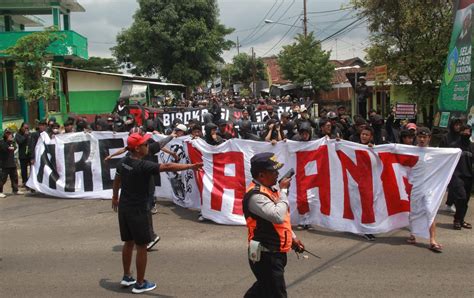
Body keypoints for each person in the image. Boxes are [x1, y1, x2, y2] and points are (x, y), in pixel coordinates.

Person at [112, 132, 202, 293]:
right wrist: (190, 166)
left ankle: (127, 276)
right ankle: (140, 283)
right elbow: (167, 166)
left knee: (128, 243)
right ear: (138, 148)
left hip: (124, 208)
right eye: (145, 145)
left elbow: (117, 179)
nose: (148, 146)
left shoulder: (123, 162)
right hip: (138, 210)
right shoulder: (143, 166)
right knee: (141, 246)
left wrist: (114, 197)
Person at [243, 152, 304, 298]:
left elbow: (282, 222)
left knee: (263, 288)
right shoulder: (256, 196)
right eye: (273, 171)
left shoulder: (270, 188)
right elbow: (277, 216)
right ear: (261, 175)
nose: (277, 174)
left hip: (276, 252)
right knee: (276, 293)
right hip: (266, 255)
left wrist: (292, 238)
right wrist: (283, 191)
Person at [406, 127, 443, 253]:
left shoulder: (435, 152)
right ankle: (413, 234)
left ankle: (432, 240)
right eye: (420, 137)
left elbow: (452, 153)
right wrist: (372, 147)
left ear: (429, 138)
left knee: (430, 211)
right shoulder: (410, 151)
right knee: (414, 212)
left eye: (425, 137)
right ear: (416, 137)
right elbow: (392, 151)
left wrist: (458, 150)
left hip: (430, 189)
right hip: (415, 187)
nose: (422, 139)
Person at [0, 129, 25, 197]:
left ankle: (15, 190)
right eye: (8, 134)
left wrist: (11, 144)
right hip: (5, 164)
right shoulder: (2, 142)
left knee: (14, 177)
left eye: (10, 134)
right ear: (5, 135)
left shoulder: (12, 142)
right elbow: (5, 148)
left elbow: (15, 147)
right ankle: (0, 191)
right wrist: (9, 146)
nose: (10, 135)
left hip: (12, 163)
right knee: (3, 178)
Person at [15, 123, 31, 188]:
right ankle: (25, 182)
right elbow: (20, 142)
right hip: (22, 155)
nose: (26, 129)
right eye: (25, 128)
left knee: (32, 169)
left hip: (29, 154)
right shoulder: (18, 135)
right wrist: (25, 135)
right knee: (23, 170)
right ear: (21, 128)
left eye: (27, 128)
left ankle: (31, 182)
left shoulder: (30, 134)